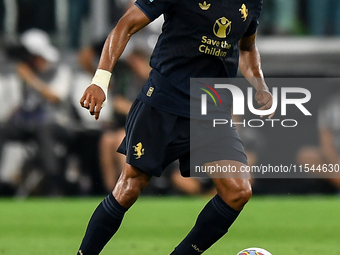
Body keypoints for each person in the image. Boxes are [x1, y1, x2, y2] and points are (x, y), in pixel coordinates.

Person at [78, 1, 274, 255]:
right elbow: (126, 26)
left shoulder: (252, 2)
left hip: (210, 107)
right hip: (163, 102)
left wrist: (260, 86)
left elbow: (247, 48)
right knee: (130, 188)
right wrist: (100, 81)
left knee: (238, 191)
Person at [1, 29, 75, 196]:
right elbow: (18, 104)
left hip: (59, 124)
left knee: (44, 129)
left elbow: (55, 97)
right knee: (2, 130)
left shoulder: (60, 71)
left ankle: (54, 184)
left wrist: (31, 79)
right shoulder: (22, 72)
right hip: (27, 124)